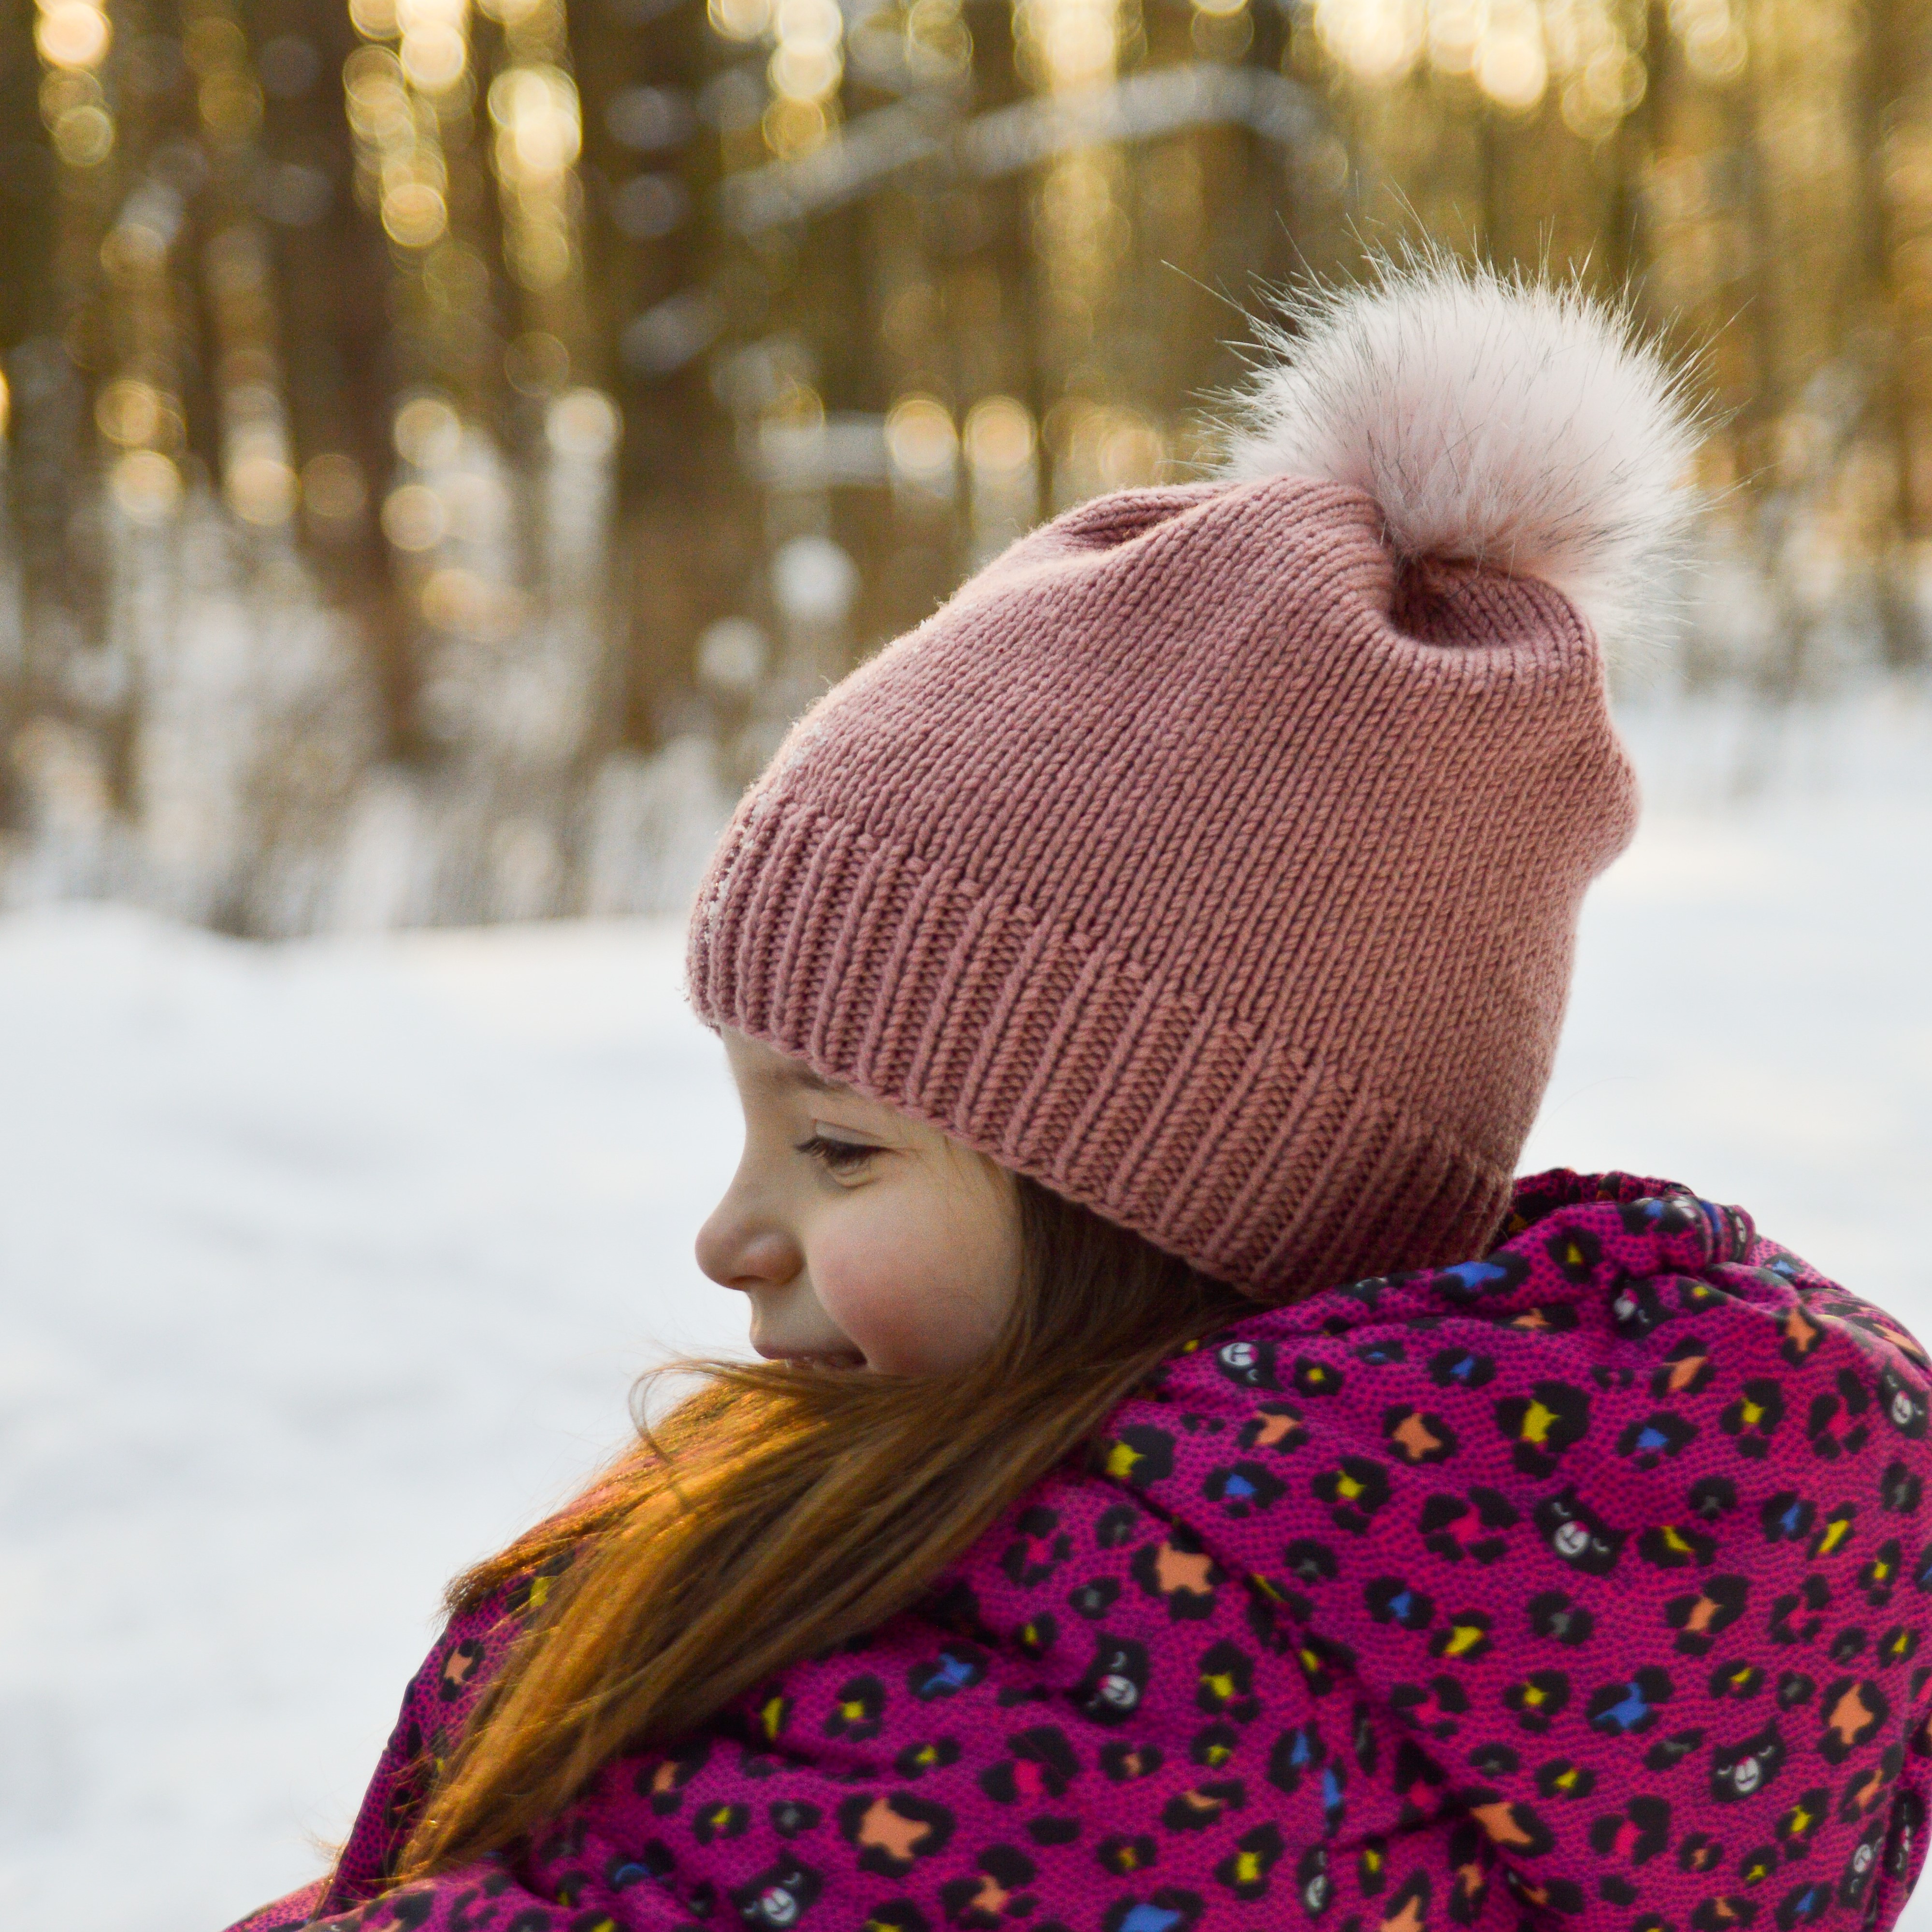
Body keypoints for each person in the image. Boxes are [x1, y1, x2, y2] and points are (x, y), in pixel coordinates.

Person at [227, 255, 1932, 1932]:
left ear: (1182, 1204)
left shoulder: (1029, 1747)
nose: (730, 1237)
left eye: (836, 1146)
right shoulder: (1488, 1635)